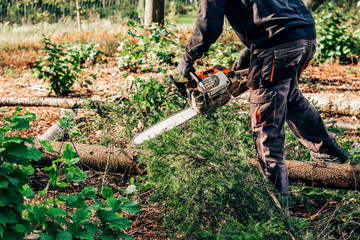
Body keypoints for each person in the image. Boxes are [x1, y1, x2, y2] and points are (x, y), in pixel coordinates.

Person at [176, 0, 348, 215]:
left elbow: (210, 24)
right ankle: (327, 150)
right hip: (303, 37)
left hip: (277, 46)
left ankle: (276, 216)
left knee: (266, 129)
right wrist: (249, 55)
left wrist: (188, 57)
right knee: (289, 98)